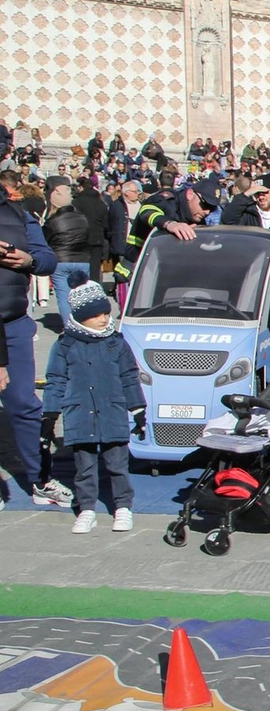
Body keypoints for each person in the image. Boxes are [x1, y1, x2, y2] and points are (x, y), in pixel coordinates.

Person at [42, 273, 146, 534]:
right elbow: (56, 380)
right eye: (96, 314)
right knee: (84, 467)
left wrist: (138, 409)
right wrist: (49, 416)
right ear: (79, 315)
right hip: (80, 414)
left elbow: (129, 377)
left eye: (106, 313)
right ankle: (87, 508)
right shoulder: (65, 344)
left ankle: (123, 507)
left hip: (112, 411)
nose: (104, 319)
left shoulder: (116, 343)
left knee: (117, 465)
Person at [0, 170, 72, 508]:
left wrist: (27, 260)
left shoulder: (18, 215)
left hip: (12, 321)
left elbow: (47, 259)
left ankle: (40, 479)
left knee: (24, 403)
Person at [39, 176, 93, 321]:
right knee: (81, 295)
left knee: (64, 296)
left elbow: (46, 240)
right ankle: (84, 322)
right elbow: (87, 237)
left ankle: (69, 326)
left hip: (61, 260)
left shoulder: (52, 221)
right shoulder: (82, 218)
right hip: (82, 259)